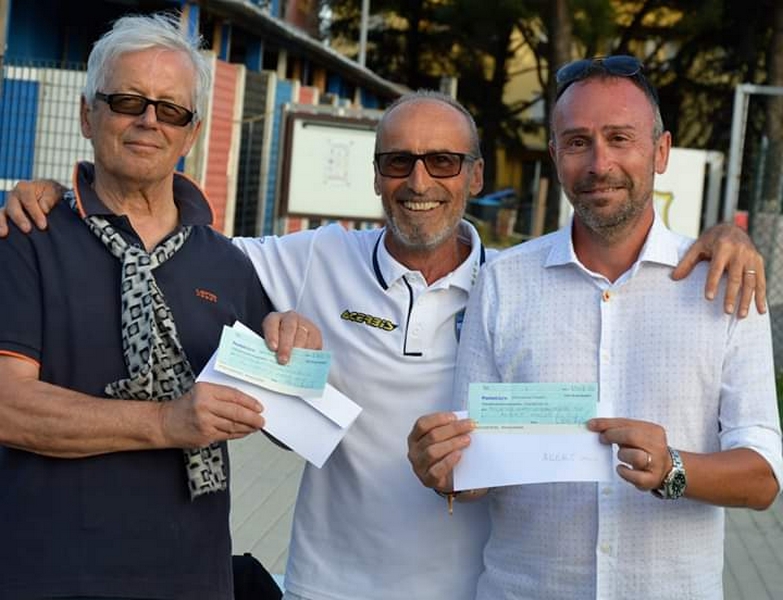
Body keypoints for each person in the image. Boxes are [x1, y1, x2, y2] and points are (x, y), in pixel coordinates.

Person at [0, 88, 769, 600]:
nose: (418, 181)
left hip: (473, 587)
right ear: (374, 177)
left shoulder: (518, 285)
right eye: (397, 161)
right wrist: (63, 198)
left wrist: (723, 241)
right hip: (326, 584)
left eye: (442, 162)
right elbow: (170, 246)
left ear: (474, 176)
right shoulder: (310, 260)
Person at [407, 57, 783, 600]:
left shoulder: (726, 284)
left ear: (661, 151)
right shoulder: (504, 281)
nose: (599, 163)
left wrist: (673, 468)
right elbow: (472, 469)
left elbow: (764, 476)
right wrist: (443, 470)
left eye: (619, 138)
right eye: (578, 142)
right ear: (555, 156)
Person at [0, 13, 320, 600]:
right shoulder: (26, 238)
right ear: (87, 115)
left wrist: (295, 352)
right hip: (47, 575)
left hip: (192, 579)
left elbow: (291, 429)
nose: (149, 120)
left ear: (191, 134)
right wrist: (166, 422)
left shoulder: (226, 263)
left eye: (171, 109)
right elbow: (7, 406)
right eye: (127, 101)